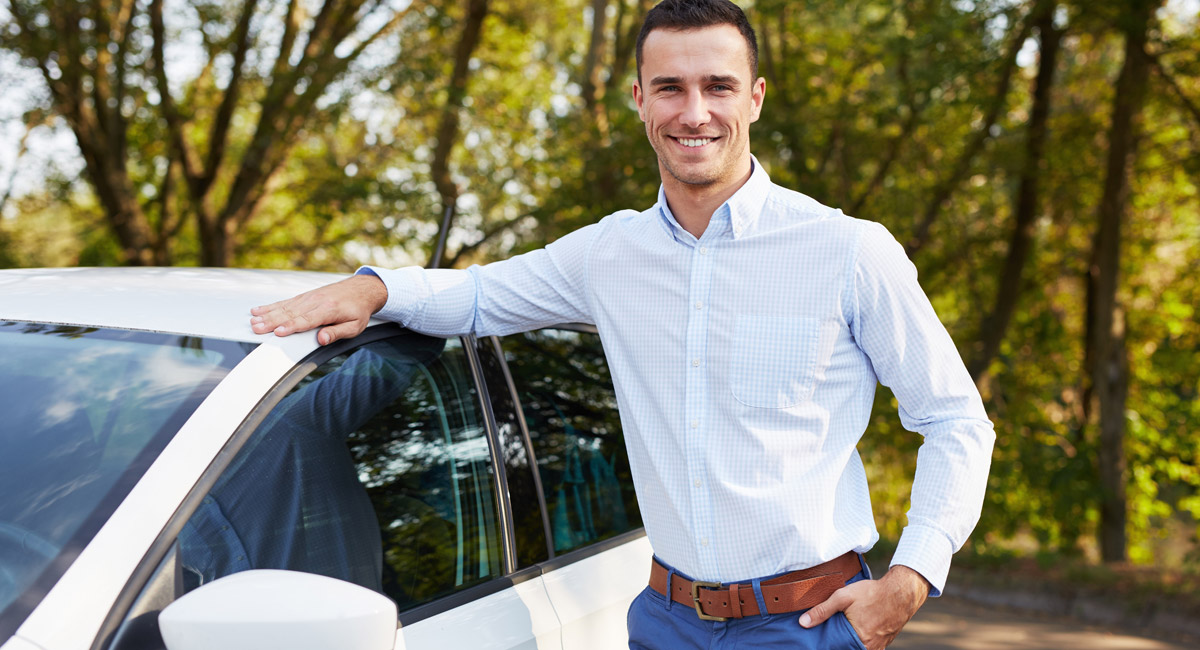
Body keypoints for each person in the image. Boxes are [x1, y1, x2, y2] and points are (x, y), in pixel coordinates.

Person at [250, 1, 995, 647]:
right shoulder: (609, 253)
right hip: (663, 624)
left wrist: (910, 579)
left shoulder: (848, 250)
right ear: (640, 99)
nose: (694, 111)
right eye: (670, 87)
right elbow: (479, 296)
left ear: (756, 98)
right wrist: (375, 289)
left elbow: (956, 421)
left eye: (718, 86)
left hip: (806, 627)